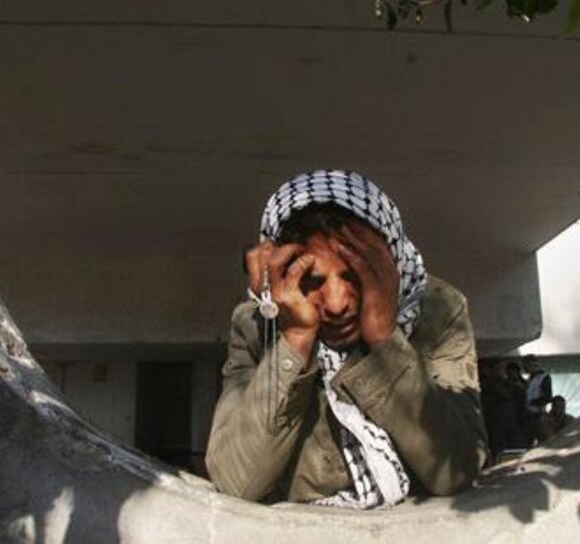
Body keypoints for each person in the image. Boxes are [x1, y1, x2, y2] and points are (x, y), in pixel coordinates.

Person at [205, 170, 488, 508]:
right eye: (312, 280)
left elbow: (455, 469)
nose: (337, 303)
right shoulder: (255, 326)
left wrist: (385, 340)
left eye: (355, 276)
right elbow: (237, 483)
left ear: (390, 262)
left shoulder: (438, 311)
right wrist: (294, 340)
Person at [523, 354, 552, 444]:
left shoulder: (544, 377)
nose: (524, 368)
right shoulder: (530, 378)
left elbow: (548, 397)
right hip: (528, 416)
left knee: (544, 442)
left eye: (525, 365)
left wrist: (532, 402)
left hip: (538, 415)